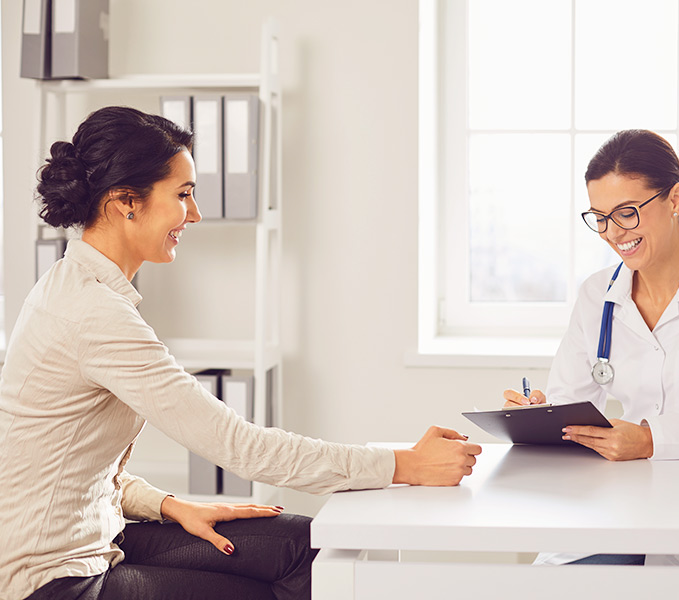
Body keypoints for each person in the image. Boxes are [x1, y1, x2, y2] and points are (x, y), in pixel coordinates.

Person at [0, 106, 482, 600]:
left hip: (100, 535)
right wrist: (403, 464)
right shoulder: (91, 312)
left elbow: (63, 463)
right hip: (51, 579)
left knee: (305, 547)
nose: (195, 213)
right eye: (183, 194)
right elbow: (239, 446)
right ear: (127, 201)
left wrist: (166, 504)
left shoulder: (83, 289)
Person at [503, 129, 679, 566]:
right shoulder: (597, 296)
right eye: (600, 217)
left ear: (674, 199)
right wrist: (543, 417)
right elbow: (572, 404)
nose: (612, 232)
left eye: (626, 212)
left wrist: (651, 439)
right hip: (614, 511)